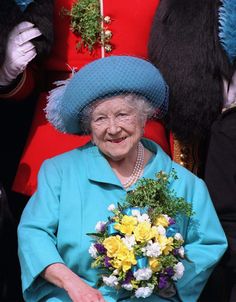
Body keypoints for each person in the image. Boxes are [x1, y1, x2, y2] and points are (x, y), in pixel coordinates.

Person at [18, 55, 227, 302]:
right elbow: (34, 234)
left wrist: (161, 284)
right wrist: (72, 284)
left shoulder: (185, 184)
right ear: (89, 128)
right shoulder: (59, 172)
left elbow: (208, 245)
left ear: (143, 117)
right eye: (100, 118)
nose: (113, 128)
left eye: (123, 114)